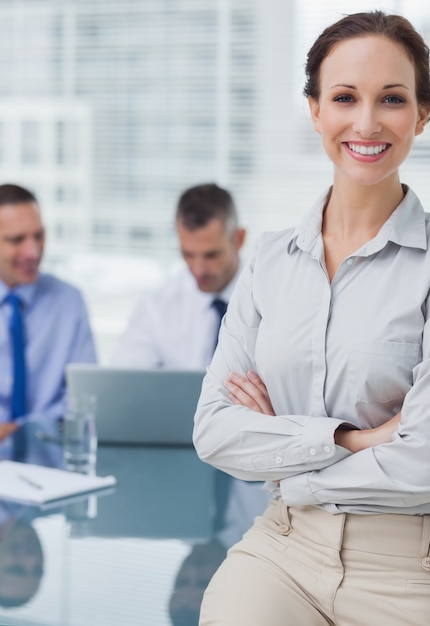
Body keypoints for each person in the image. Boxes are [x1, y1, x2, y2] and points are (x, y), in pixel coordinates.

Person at [193, 10, 430, 626]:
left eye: (393, 99)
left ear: (423, 115)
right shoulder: (271, 261)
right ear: (316, 110)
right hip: (282, 549)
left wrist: (287, 462)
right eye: (345, 97)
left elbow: (425, 460)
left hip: (409, 570)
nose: (367, 121)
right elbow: (215, 430)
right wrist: (354, 438)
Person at [0, 183, 97, 459]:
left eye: (39, 236)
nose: (33, 251)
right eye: (17, 240)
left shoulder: (69, 302)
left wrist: (24, 428)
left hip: (50, 462)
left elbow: (84, 397)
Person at [114, 182, 246, 369]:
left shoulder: (270, 299)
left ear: (239, 239)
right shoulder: (156, 306)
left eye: (211, 255)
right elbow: (124, 381)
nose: (198, 270)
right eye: (188, 254)